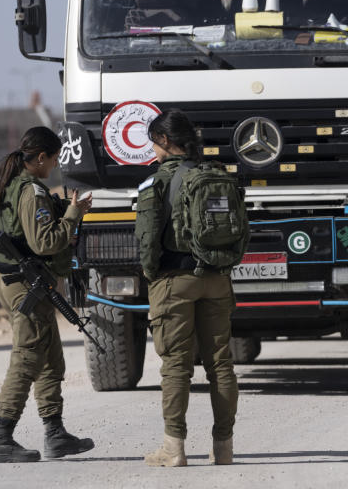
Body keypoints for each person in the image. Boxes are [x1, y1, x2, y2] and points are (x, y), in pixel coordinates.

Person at [134, 109, 239, 467]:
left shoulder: (155, 183)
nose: (153, 151)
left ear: (165, 140)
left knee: (176, 367)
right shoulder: (216, 175)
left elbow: (147, 241)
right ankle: (223, 447)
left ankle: (173, 449)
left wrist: (152, 276)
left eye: (154, 143)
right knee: (220, 364)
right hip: (217, 278)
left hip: (174, 281)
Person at [0, 126, 95, 463]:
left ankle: (55, 433)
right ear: (41, 157)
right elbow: (44, 242)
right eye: (54, 159)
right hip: (25, 286)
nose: (55, 166)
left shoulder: (10, 184)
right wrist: (73, 216)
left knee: (50, 360)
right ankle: (1, 437)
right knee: (27, 358)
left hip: (20, 282)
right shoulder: (31, 190)